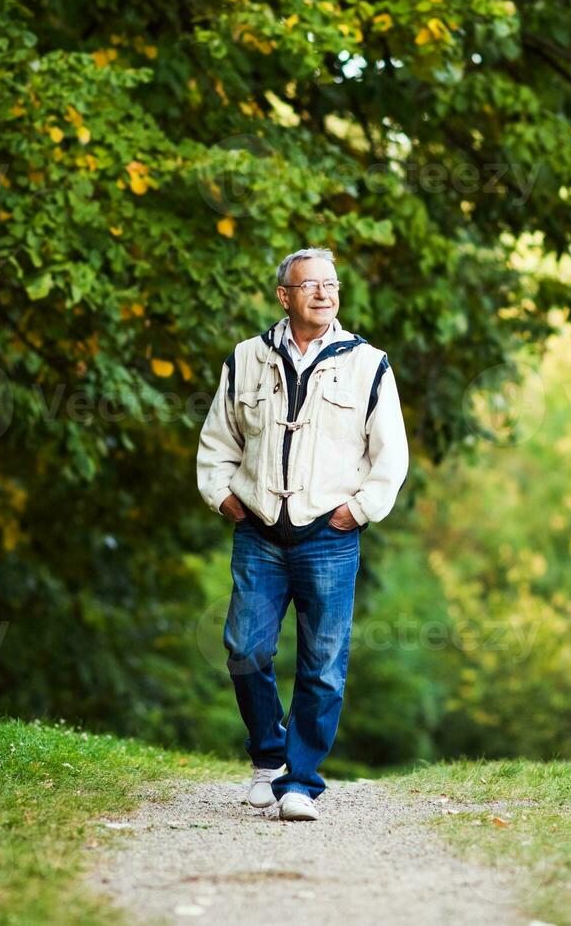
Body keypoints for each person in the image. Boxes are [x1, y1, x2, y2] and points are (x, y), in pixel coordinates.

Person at [195, 247, 410, 821]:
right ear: (284, 296)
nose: (323, 293)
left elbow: (390, 456)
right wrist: (223, 496)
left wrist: (358, 511)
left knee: (323, 660)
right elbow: (219, 442)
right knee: (245, 648)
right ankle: (269, 758)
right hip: (260, 531)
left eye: (331, 284)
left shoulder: (369, 364)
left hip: (330, 536)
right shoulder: (247, 359)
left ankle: (302, 782)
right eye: (310, 285)